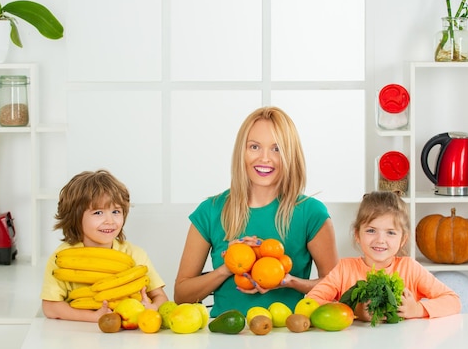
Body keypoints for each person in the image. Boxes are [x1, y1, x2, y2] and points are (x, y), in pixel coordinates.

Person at [174, 106, 339, 317]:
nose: (265, 158)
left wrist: (290, 282)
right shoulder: (210, 211)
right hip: (226, 335)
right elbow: (181, 295)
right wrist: (227, 268)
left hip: (288, 335)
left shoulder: (311, 213)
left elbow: (335, 288)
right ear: (241, 152)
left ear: (291, 154)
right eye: (254, 147)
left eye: (277, 149)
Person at [306, 191, 461, 321]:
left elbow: (453, 301)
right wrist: (353, 311)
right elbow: (310, 302)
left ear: (403, 239)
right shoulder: (344, 269)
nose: (380, 240)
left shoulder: (410, 268)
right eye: (371, 230)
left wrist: (417, 309)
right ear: (357, 234)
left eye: (391, 232)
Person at [41, 169, 168, 322]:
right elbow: (50, 307)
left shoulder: (135, 254)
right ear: (75, 217)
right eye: (98, 213)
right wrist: (94, 317)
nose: (110, 220)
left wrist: (152, 308)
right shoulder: (61, 258)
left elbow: (160, 297)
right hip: (78, 336)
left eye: (116, 211)